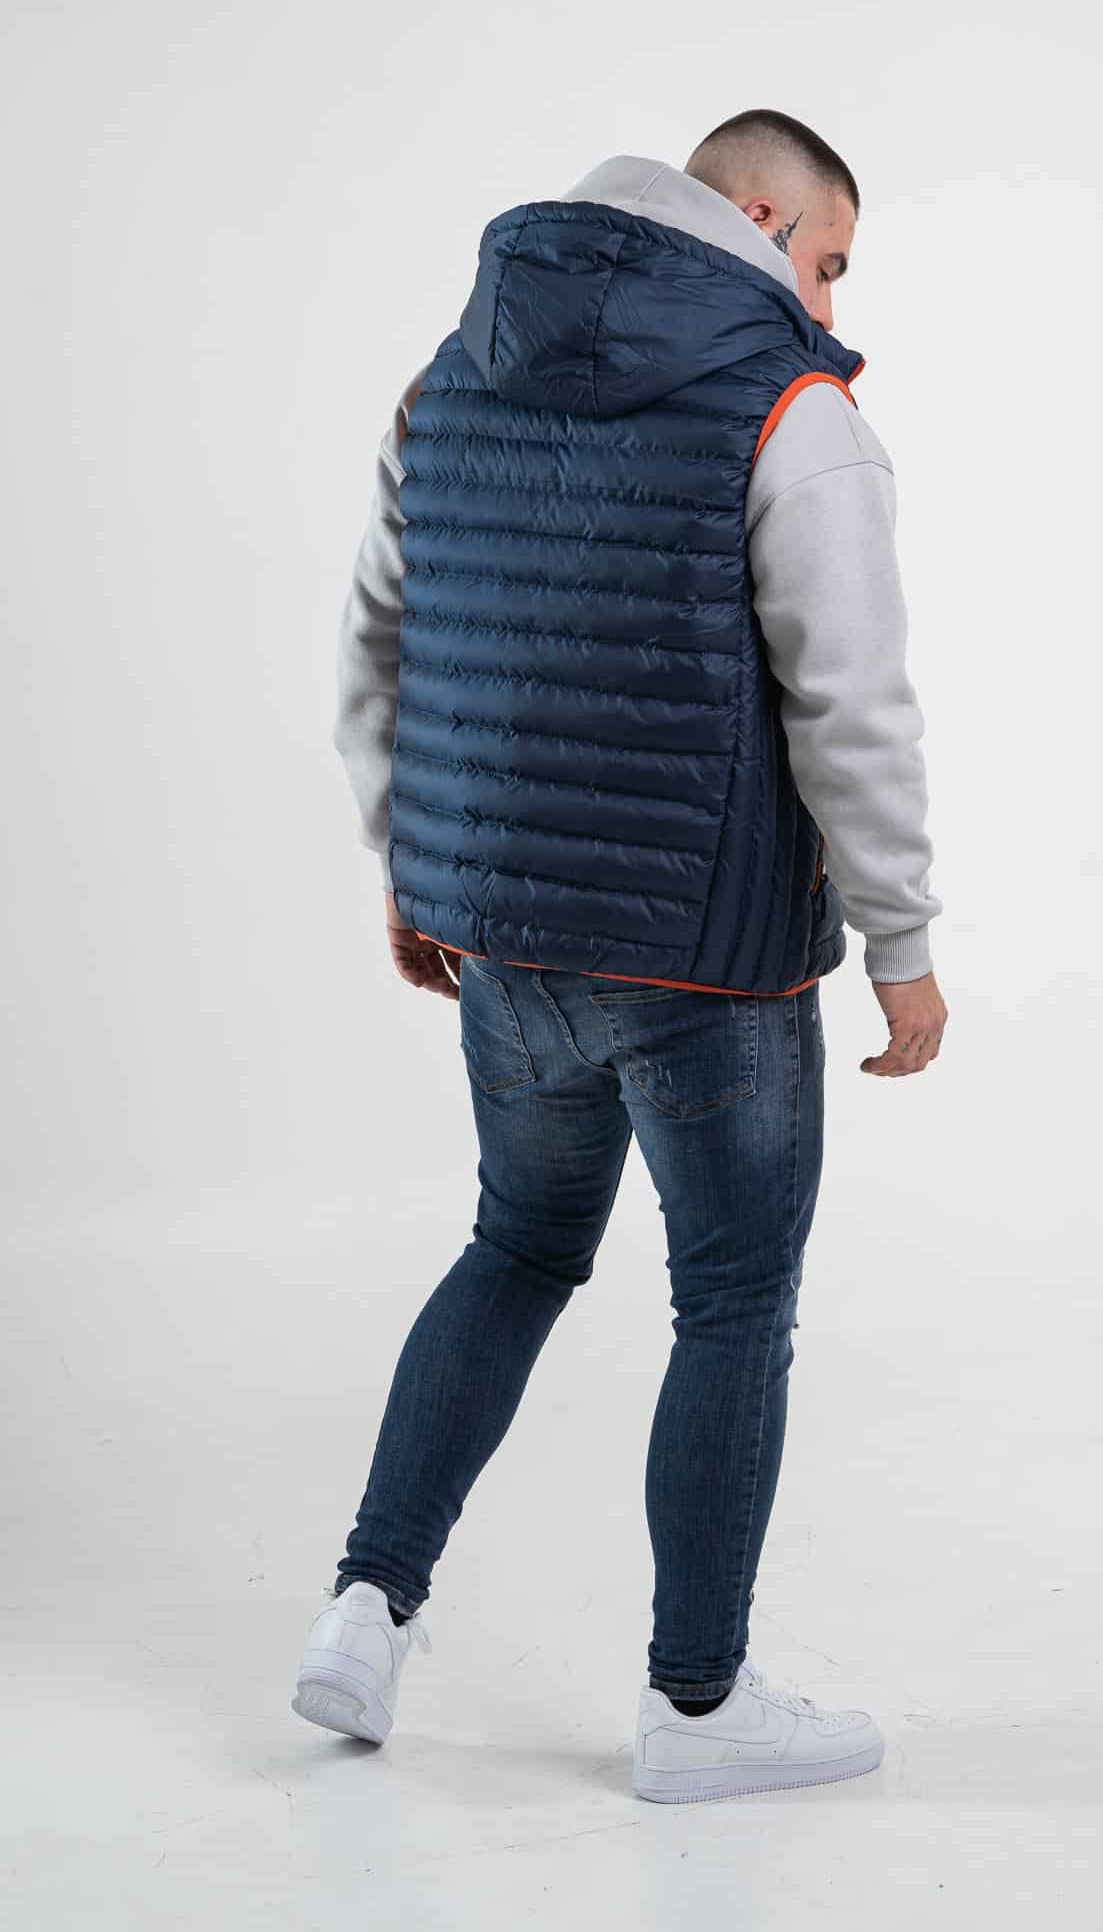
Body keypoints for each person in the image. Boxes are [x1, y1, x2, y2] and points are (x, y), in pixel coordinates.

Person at [292, 110, 948, 1803]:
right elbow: (850, 701)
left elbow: (381, 633)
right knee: (731, 1302)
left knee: (516, 1246)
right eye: (827, 261)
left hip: (504, 936)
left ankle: (364, 1613)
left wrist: (409, 859)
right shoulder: (791, 411)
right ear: (758, 219)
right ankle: (697, 1708)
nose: (827, 303)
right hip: (706, 961)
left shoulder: (453, 374)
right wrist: (900, 939)